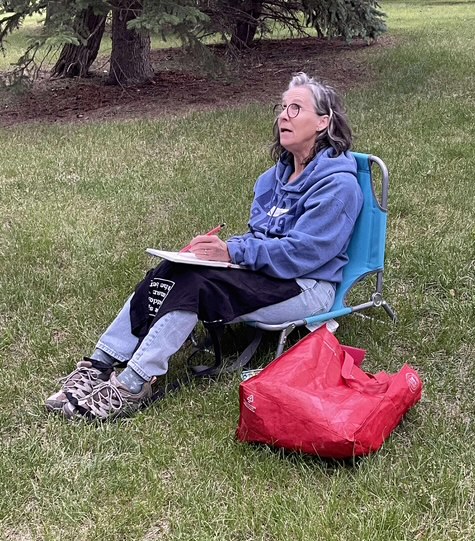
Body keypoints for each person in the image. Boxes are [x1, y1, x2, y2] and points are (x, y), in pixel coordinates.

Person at [45, 72, 363, 420]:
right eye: (282, 107)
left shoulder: (338, 186)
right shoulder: (274, 177)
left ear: (323, 121)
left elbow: (303, 255)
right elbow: (259, 237)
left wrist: (234, 253)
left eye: (296, 108)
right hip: (269, 273)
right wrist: (217, 250)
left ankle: (133, 383)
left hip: (307, 285)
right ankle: (98, 364)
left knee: (197, 286)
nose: (283, 115)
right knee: (171, 270)